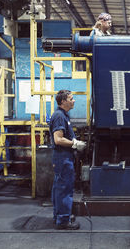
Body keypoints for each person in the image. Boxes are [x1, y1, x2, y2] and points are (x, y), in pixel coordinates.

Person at [49, 89, 86, 230]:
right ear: (63, 101)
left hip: (64, 157)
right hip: (63, 157)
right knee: (64, 188)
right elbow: (58, 139)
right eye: (71, 98)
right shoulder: (59, 116)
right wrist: (75, 144)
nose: (74, 100)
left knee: (59, 187)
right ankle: (63, 221)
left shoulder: (63, 115)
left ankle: (59, 216)